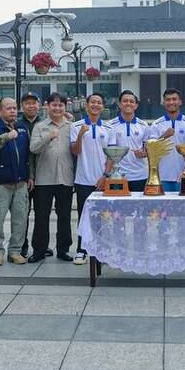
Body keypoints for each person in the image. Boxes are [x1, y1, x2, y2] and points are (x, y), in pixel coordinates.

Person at [0, 97, 32, 265]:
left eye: (14, 108)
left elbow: (29, 155)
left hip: (20, 183)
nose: (12, 111)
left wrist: (30, 176)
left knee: (20, 221)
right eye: (8, 108)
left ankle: (15, 252)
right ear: (0, 111)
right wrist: (6, 136)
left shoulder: (23, 129)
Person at [29, 92, 75, 263]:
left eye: (60, 105)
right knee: (41, 216)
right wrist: (48, 137)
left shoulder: (71, 126)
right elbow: (33, 148)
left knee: (65, 216)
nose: (57, 108)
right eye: (54, 105)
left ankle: (63, 249)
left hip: (65, 177)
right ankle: (39, 250)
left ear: (65, 107)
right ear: (47, 106)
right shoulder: (40, 127)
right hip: (44, 178)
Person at [70, 92, 110, 264]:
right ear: (87, 106)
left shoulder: (108, 128)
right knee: (83, 216)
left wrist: (106, 175)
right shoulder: (76, 126)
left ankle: (101, 249)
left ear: (102, 107)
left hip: (103, 180)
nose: (95, 105)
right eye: (92, 102)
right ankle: (82, 250)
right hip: (83, 179)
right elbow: (75, 151)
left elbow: (111, 155)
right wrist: (80, 135)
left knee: (104, 216)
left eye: (99, 102)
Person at [105, 90, 150, 191]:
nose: (128, 103)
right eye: (125, 101)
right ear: (119, 104)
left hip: (140, 175)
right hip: (118, 175)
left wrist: (144, 153)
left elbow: (147, 149)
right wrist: (106, 174)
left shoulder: (144, 125)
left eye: (131, 101)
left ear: (136, 105)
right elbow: (110, 154)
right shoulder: (111, 125)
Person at [148, 88, 185, 192]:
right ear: (163, 103)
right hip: (162, 176)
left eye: (174, 99)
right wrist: (164, 136)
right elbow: (151, 148)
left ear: (180, 102)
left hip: (184, 175)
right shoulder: (156, 124)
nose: (171, 102)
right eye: (168, 100)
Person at [17, 92, 42, 257]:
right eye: (27, 103)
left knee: (41, 214)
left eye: (34, 103)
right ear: (22, 106)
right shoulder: (17, 125)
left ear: (39, 105)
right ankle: (22, 245)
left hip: (43, 176)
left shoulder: (45, 123)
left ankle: (40, 246)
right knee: (22, 214)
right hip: (23, 176)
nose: (31, 106)